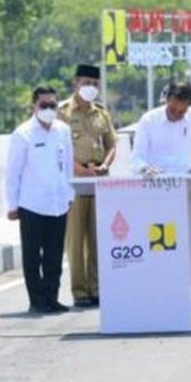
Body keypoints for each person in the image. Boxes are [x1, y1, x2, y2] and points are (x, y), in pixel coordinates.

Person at [130, 82, 191, 304]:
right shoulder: (149, 120)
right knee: (161, 242)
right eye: (173, 109)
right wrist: (144, 168)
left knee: (190, 240)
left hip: (186, 189)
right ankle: (161, 286)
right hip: (157, 191)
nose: (177, 114)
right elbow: (137, 156)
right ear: (167, 100)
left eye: (182, 110)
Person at [6, 86, 74, 314]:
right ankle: (36, 300)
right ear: (33, 106)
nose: (48, 109)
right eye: (43, 105)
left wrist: (69, 195)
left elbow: (68, 167)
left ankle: (51, 297)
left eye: (52, 105)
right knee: (33, 255)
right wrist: (12, 205)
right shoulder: (23, 134)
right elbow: (13, 172)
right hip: (31, 203)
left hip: (57, 202)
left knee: (55, 255)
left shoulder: (63, 131)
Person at [57, 64, 117, 308]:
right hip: (75, 181)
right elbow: (59, 148)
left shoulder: (101, 113)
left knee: (98, 237)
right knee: (77, 238)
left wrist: (104, 164)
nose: (90, 88)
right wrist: (79, 169)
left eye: (94, 84)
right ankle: (80, 291)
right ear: (75, 83)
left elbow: (111, 143)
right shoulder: (64, 113)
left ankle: (96, 288)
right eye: (86, 83)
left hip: (99, 180)